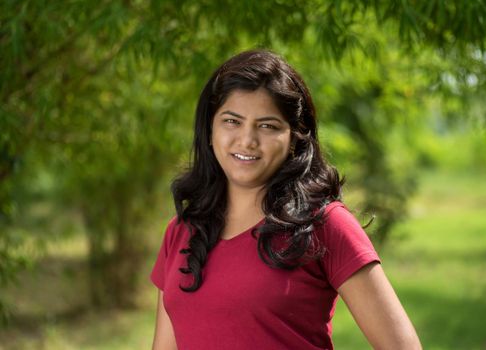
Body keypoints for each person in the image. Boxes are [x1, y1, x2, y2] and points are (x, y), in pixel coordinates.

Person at [151, 49, 421, 350]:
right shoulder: (182, 231)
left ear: (295, 138)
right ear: (209, 129)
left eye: (268, 126)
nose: (247, 140)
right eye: (232, 121)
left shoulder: (325, 224)